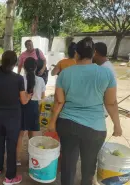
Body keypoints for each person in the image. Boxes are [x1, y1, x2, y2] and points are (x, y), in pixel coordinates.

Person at [48, 37, 123, 185]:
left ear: (76, 53)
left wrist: (52, 122)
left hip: (67, 124)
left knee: (68, 164)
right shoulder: (106, 74)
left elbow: (59, 101)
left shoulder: (65, 74)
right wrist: (117, 125)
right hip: (95, 128)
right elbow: (111, 103)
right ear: (93, 53)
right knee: (88, 167)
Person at [0, 50, 31, 185]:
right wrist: (28, 96)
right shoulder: (18, 79)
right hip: (13, 118)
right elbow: (23, 101)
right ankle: (10, 177)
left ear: (2, 61)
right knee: (11, 146)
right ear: (15, 63)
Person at [16, 57, 46, 166]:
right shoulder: (41, 80)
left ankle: (17, 159)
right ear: (36, 67)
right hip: (34, 108)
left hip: (22, 107)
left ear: (24, 67)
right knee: (32, 134)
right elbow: (42, 97)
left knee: (20, 135)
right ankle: (32, 157)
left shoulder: (20, 79)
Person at [94, 42, 117, 118]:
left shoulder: (104, 69)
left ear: (95, 53)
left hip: (100, 111)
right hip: (101, 110)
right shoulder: (106, 66)